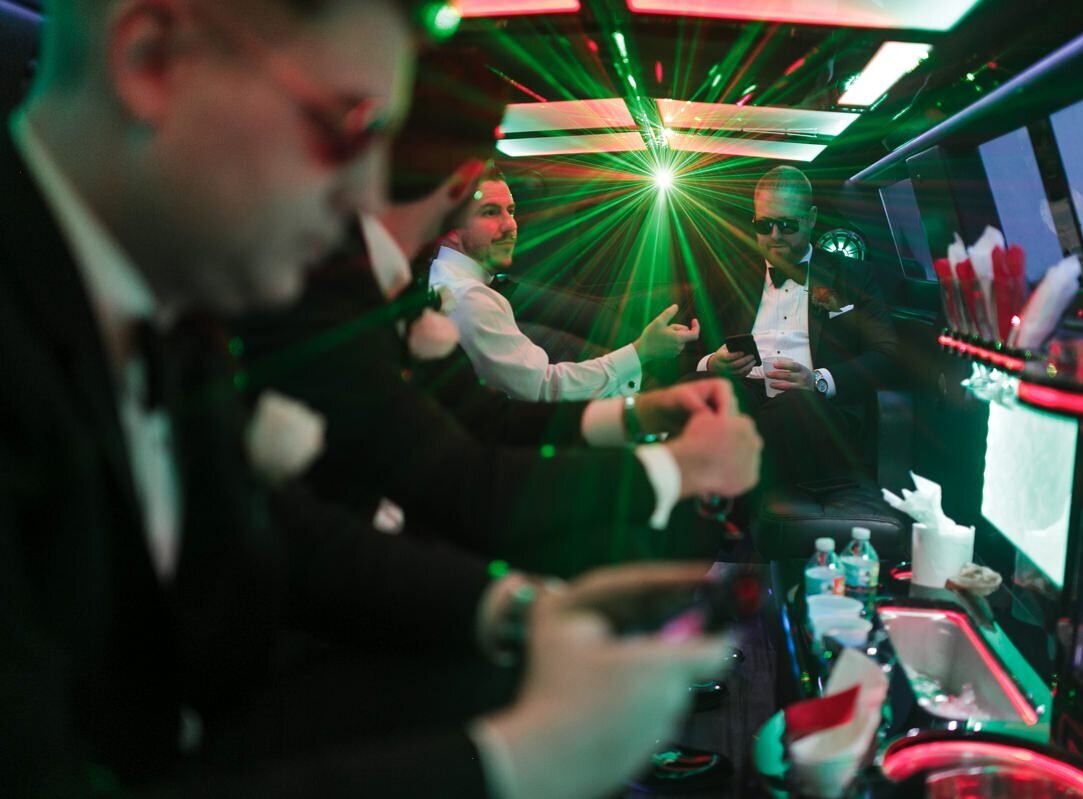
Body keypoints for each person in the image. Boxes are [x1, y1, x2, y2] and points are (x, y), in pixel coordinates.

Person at [0, 2, 736, 796]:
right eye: (349, 127)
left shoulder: (165, 299)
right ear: (149, 62)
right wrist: (514, 761)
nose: (366, 192)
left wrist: (523, 608)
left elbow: (270, 530)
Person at [235, 48, 763, 574]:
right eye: (492, 211)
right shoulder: (335, 292)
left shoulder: (403, 289)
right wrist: (674, 469)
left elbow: (485, 420)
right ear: (461, 186)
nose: (510, 224)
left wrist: (640, 412)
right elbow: (466, 477)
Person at [686, 165, 900, 487]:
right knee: (708, 392)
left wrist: (819, 381)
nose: (774, 236)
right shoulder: (727, 276)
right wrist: (712, 363)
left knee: (795, 409)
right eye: (764, 224)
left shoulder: (853, 276)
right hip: (746, 392)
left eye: (787, 225)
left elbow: (888, 354)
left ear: (811, 218)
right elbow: (687, 346)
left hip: (811, 404)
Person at [430, 168, 702, 401]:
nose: (510, 225)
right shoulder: (470, 298)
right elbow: (545, 388)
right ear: (452, 228)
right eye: (490, 213)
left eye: (511, 211)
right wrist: (641, 351)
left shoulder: (447, 280)